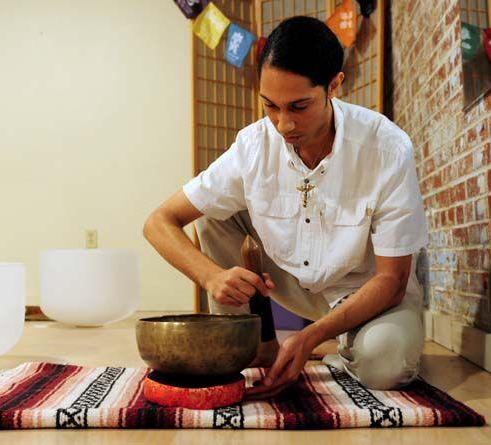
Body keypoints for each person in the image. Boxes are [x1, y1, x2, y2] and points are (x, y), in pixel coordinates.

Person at [143, 16, 428, 400]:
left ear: (334, 85)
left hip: (369, 292)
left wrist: (311, 337)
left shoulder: (387, 148)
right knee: (212, 212)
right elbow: (159, 222)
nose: (283, 124)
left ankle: (350, 346)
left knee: (385, 367)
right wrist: (211, 276)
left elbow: (391, 280)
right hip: (292, 282)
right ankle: (252, 345)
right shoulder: (254, 145)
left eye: (299, 106)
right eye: (270, 106)